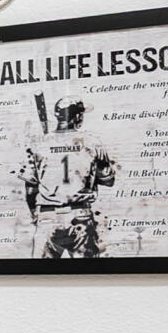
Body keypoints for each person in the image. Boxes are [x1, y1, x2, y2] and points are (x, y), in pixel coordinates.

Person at [20, 93, 117, 259]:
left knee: (39, 272)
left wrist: (36, 215)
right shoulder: (92, 142)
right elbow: (109, 180)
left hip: (47, 217)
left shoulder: (37, 144)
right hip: (80, 216)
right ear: (78, 117)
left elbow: (30, 188)